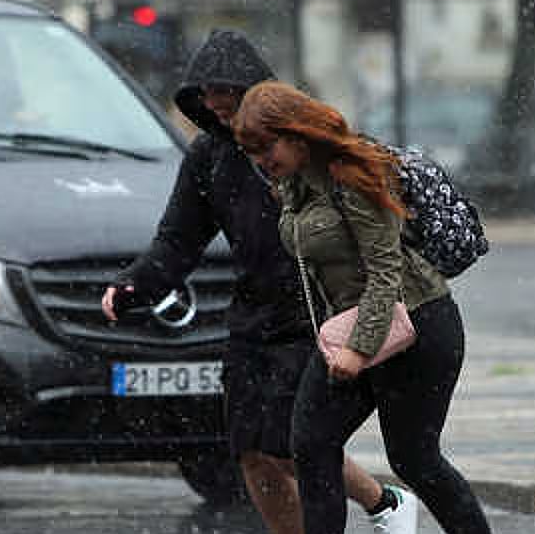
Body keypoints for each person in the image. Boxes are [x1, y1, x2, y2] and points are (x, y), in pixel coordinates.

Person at [101, 30, 416, 534]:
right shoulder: (208, 157)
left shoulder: (304, 147)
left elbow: (368, 228)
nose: (223, 119)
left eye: (231, 107)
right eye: (213, 110)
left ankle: (383, 501)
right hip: (251, 318)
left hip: (310, 314)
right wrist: (136, 284)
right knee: (250, 451)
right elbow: (178, 239)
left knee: (292, 446)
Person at [233, 80, 493, 534]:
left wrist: (359, 350)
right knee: (311, 443)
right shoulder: (292, 181)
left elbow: (385, 272)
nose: (260, 161)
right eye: (252, 151)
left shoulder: (351, 173)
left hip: (418, 324)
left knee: (415, 459)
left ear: (295, 134)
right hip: (354, 325)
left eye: (265, 147)